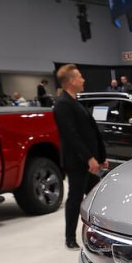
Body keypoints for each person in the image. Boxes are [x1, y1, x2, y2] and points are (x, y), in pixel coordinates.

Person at [53, 63, 109, 249]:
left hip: (89, 162)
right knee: (75, 199)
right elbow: (72, 136)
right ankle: (70, 238)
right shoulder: (62, 105)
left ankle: (100, 235)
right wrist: (89, 159)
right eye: (80, 76)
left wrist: (100, 157)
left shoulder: (75, 102)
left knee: (97, 197)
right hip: (77, 163)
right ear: (71, 81)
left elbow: (90, 133)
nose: (83, 79)